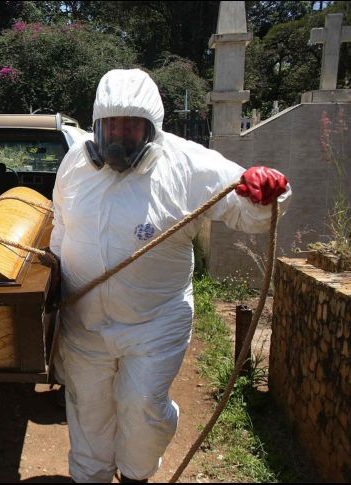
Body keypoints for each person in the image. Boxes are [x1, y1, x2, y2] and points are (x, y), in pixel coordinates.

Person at [50, 69, 290, 483]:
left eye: (131, 125)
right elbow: (60, 225)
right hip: (83, 321)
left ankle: (137, 475)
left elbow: (244, 211)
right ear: (97, 124)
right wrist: (53, 282)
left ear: (152, 127)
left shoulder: (188, 163)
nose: (120, 135)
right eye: (112, 124)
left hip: (155, 321)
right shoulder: (75, 163)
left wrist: (266, 193)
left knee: (141, 405)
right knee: (87, 410)